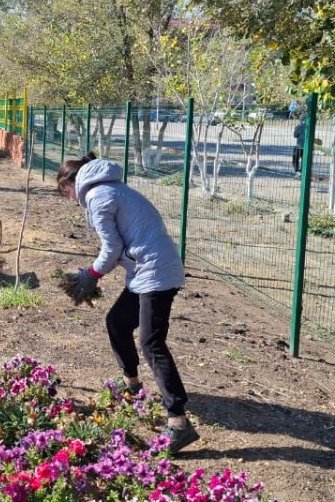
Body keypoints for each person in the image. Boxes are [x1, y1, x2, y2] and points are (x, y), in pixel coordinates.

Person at [56, 153, 200, 453]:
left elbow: (112, 247)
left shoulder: (97, 195)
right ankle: (132, 384)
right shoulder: (110, 188)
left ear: (72, 183)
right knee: (117, 322)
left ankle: (178, 422)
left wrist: (91, 274)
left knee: (152, 343)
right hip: (145, 270)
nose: (70, 200)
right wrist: (99, 271)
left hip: (155, 273)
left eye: (66, 192)